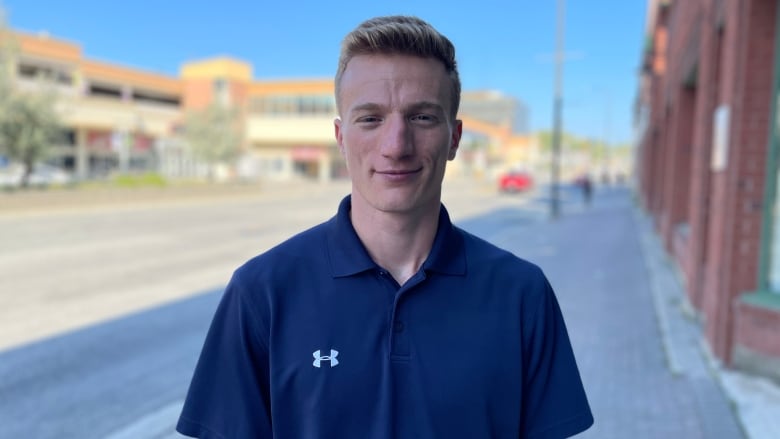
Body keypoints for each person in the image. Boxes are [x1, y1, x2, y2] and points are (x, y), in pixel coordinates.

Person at [177, 15, 593, 439]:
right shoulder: (262, 292)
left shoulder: (522, 293)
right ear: (341, 137)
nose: (396, 146)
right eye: (371, 119)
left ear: (454, 138)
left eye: (422, 118)